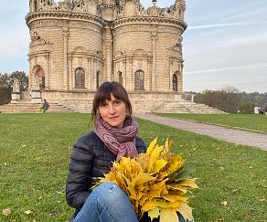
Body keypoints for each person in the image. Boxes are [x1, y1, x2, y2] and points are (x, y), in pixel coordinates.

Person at [66, 81, 193, 222]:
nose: (111, 111)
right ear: (99, 111)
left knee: (178, 214)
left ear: (126, 106)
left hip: (132, 214)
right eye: (104, 105)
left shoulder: (138, 144)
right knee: (109, 191)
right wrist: (117, 202)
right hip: (92, 216)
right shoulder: (86, 143)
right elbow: (73, 195)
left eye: (116, 103)